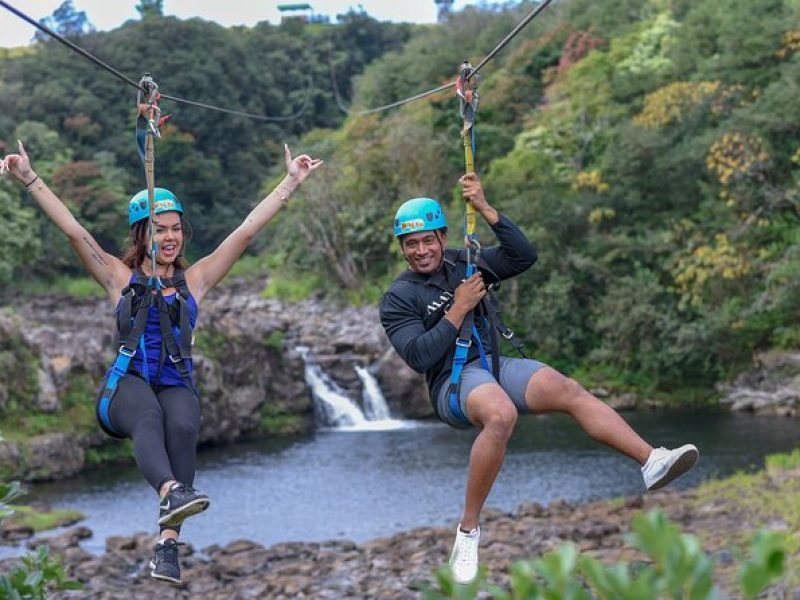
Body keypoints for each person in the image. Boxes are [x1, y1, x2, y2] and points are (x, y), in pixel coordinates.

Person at [1, 140, 322, 584]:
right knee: (151, 415)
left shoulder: (196, 280)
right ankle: (171, 491)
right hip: (125, 388)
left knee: (185, 422)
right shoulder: (118, 277)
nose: (170, 237)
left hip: (175, 381)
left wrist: (290, 182)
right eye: (159, 229)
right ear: (140, 234)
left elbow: (245, 232)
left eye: (176, 229)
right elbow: (75, 231)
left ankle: (168, 545)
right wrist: (29, 178)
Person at [379, 172, 699, 585]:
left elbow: (522, 256)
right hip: (452, 384)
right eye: (411, 244)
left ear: (441, 238)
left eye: (428, 240)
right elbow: (420, 357)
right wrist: (457, 309)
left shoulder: (466, 262)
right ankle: (469, 530)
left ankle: (651, 461)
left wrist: (487, 209)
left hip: (493, 364)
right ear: (403, 249)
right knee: (500, 413)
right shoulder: (398, 297)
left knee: (567, 389)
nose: (421, 251)